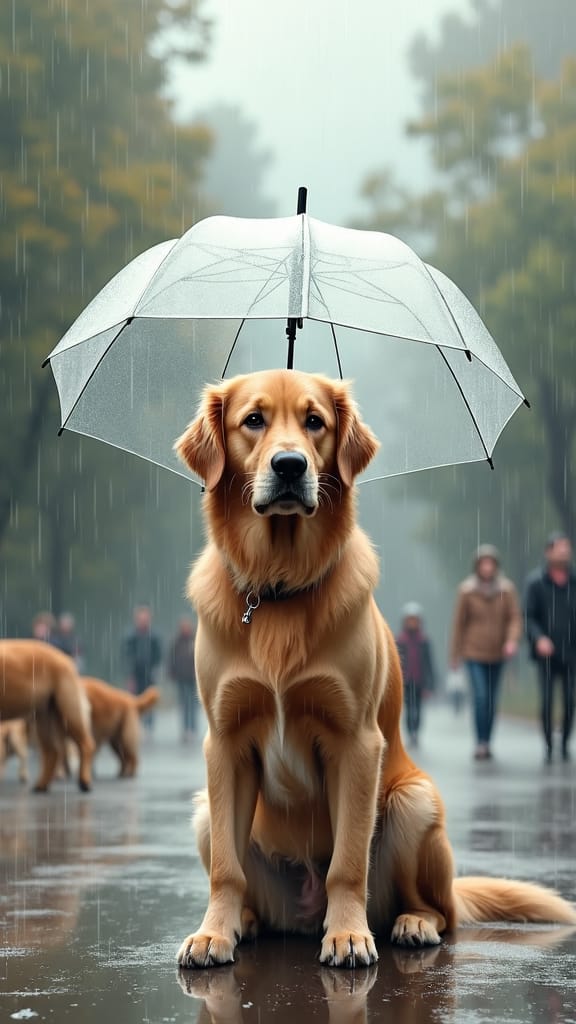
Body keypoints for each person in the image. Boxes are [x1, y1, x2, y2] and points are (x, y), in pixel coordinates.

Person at [450, 544, 522, 760]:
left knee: (491, 699)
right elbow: (458, 624)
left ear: (496, 565)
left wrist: (511, 641)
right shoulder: (466, 590)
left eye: (491, 563)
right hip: (473, 652)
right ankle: (480, 742)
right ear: (477, 566)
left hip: (498, 652)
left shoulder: (507, 590)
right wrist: (454, 655)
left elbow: (515, 618)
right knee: (480, 697)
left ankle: (488, 740)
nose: (487, 567)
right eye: (484, 563)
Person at [525, 532, 576, 763]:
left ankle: (565, 742)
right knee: (546, 700)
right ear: (549, 552)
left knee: (569, 699)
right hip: (546, 653)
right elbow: (528, 616)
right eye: (560, 548)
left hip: (572, 651)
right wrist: (539, 638)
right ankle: (548, 744)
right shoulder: (536, 582)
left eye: (567, 548)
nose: (564, 552)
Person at [395, 602, 436, 747]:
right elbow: (395, 663)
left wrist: (430, 684)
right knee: (408, 708)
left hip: (419, 681)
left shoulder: (424, 641)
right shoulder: (400, 640)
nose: (412, 623)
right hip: (405, 681)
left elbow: (429, 664)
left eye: (415, 620)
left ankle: (416, 731)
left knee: (418, 709)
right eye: (409, 620)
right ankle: (410, 731)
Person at [123, 606, 162, 731]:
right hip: (135, 674)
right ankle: (136, 726)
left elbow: (159, 655)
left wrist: (155, 668)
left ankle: (149, 727)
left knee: (149, 700)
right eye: (141, 619)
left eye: (145, 619)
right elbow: (126, 656)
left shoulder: (154, 636)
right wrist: (129, 675)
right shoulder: (131, 637)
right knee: (135, 701)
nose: (143, 621)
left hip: (149, 674)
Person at [168, 616, 199, 743]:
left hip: (194, 678)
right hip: (181, 678)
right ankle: (185, 729)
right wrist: (172, 672)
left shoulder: (196, 640)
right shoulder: (176, 642)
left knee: (193, 704)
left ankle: (193, 729)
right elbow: (171, 659)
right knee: (184, 704)